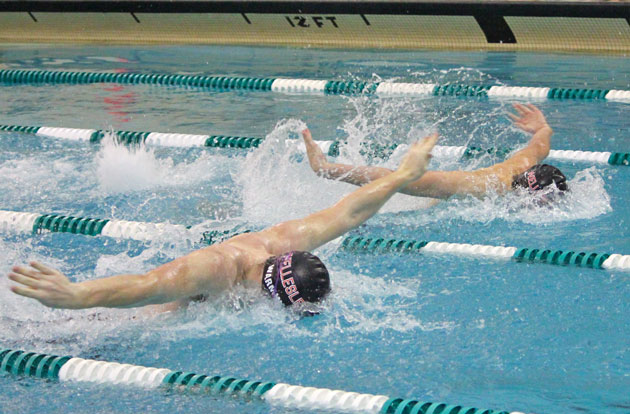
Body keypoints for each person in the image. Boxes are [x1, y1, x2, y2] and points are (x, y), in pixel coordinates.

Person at [8, 131, 437, 313]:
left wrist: (403, 176)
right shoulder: (215, 268)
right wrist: (76, 296)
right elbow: (145, 285)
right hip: (120, 322)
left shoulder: (282, 242)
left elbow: (347, 213)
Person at [304, 104, 567, 204]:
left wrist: (542, 127)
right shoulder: (483, 188)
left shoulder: (523, 164)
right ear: (525, 193)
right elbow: (394, 178)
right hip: (429, 200)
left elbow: (539, 146)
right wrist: (325, 168)